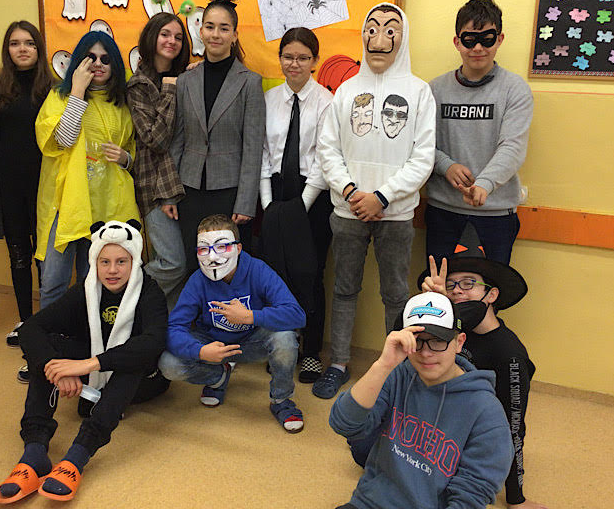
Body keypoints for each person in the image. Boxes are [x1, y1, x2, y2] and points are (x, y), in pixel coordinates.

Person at [0, 219, 167, 504]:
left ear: (134, 261)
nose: (112, 270)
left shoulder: (149, 292)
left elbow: (153, 343)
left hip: (142, 381)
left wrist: (88, 365)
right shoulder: (85, 290)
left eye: (121, 261)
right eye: (105, 262)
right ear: (94, 262)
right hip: (96, 375)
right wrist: (57, 368)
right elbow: (31, 329)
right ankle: (34, 453)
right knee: (49, 350)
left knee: (133, 358)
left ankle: (77, 457)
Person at [313, 2, 436, 399]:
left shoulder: (420, 93)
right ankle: (338, 363)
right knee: (344, 289)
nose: (379, 38)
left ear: (403, 36)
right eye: (372, 28)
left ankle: (396, 370)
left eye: (390, 29)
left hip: (395, 215)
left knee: (396, 294)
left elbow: (423, 157)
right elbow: (328, 149)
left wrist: (383, 196)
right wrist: (351, 192)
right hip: (347, 210)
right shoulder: (346, 91)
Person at [329, 292, 513, 509]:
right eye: (417, 341)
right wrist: (383, 365)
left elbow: (471, 496)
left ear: (459, 342)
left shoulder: (486, 412)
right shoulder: (397, 375)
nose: (426, 353)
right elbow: (343, 424)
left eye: (438, 341)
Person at [419, 223, 545, 509]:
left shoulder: (509, 354)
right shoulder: (452, 332)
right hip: (440, 428)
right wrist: (432, 302)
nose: (457, 291)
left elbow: (514, 427)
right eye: (451, 285)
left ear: (491, 295)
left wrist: (516, 498)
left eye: (468, 283)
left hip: (473, 440)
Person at [158, 214, 307, 433]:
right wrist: (200, 351)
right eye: (204, 249)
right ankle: (218, 377)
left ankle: (282, 400)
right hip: (213, 345)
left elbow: (296, 315)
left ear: (238, 248)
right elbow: (174, 328)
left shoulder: (258, 270)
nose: (213, 257)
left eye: (221, 247)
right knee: (168, 363)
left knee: (285, 338)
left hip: (252, 343)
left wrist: (251, 317)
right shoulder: (198, 280)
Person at [34, 31, 139, 311]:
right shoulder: (61, 96)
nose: (98, 64)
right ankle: (49, 333)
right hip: (67, 203)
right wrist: (78, 91)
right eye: (91, 57)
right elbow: (63, 140)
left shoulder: (122, 103)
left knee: (92, 279)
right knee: (54, 279)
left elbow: (134, 152)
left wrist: (126, 158)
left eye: (105, 59)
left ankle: (86, 333)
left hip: (106, 203)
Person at [425, 0, 533, 265]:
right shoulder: (434, 90)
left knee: (490, 289)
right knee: (438, 288)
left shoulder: (515, 90)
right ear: (457, 41)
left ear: (500, 39)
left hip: (496, 216)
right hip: (442, 213)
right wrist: (446, 166)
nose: (477, 48)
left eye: (487, 39)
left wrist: (485, 184)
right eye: (469, 39)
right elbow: (420, 144)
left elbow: (513, 147)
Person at [170, 0, 265, 273]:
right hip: (189, 189)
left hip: (230, 192)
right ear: (200, 30)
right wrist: (171, 192)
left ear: (235, 35)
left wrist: (246, 201)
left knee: (227, 268)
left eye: (224, 28)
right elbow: (178, 140)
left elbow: (253, 147)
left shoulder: (250, 82)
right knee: (194, 265)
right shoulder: (186, 80)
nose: (216, 34)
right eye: (210, 27)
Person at [259, 27, 333, 383]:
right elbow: (262, 152)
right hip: (274, 193)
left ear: (315, 61)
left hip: (312, 196)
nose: (295, 64)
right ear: (280, 59)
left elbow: (324, 158)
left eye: (303, 58)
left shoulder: (327, 103)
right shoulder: (269, 99)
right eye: (288, 56)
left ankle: (311, 351)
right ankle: (279, 347)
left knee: (310, 273)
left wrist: (300, 208)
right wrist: (267, 204)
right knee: (274, 273)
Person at [0, 21, 54, 355]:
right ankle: (25, 319)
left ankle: (47, 320)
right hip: (9, 189)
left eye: (29, 43)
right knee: (19, 256)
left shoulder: (53, 89)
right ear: (7, 50)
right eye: (15, 43)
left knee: (45, 258)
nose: (22, 49)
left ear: (39, 49)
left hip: (44, 189)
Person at [126, 12, 190, 310]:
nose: (172, 41)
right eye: (165, 34)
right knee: (172, 262)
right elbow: (156, 139)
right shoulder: (139, 85)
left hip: (183, 183)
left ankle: (161, 325)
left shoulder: (183, 78)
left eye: (178, 37)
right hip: (154, 186)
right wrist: (171, 88)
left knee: (183, 268)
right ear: (152, 37)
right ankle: (123, 296)